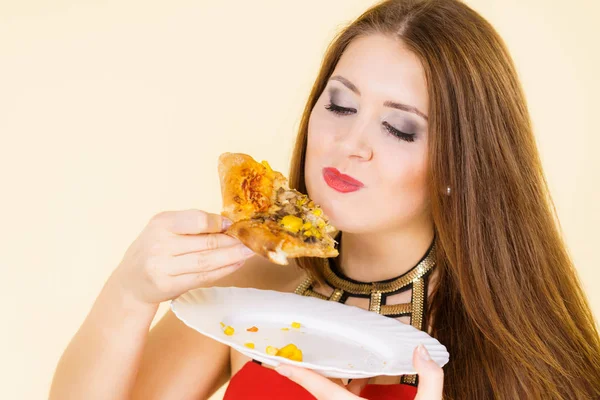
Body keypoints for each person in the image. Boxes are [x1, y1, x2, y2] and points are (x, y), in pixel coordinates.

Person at [49, 0, 600, 399]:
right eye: (339, 105)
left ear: (461, 165)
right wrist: (127, 295)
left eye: (400, 129)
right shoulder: (248, 291)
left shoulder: (515, 340)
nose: (350, 145)